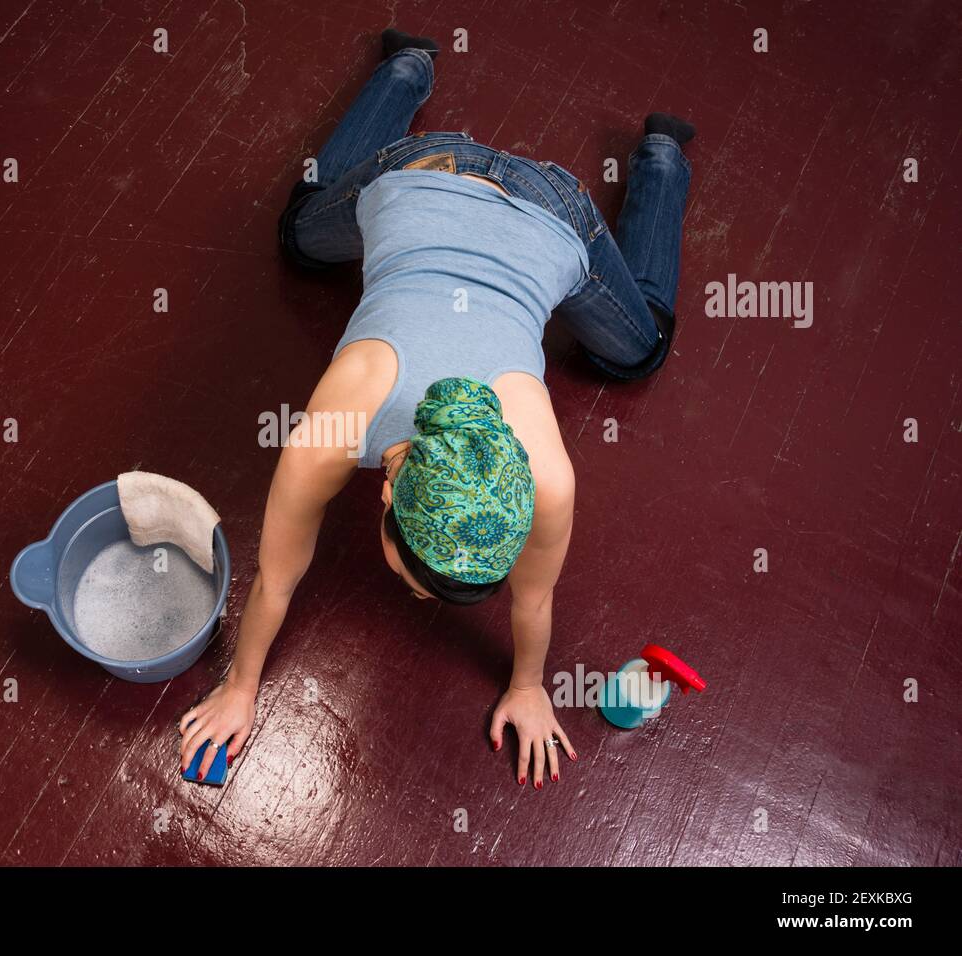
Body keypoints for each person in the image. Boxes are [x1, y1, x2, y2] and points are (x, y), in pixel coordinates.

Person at [179, 28, 694, 788]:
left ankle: (652, 155)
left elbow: (534, 595)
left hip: (547, 215)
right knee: (301, 230)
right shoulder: (328, 434)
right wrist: (239, 686)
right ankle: (411, 70)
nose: (417, 598)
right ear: (386, 489)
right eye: (420, 582)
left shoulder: (543, 483)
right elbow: (274, 581)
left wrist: (528, 687)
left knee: (642, 348)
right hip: (422, 177)